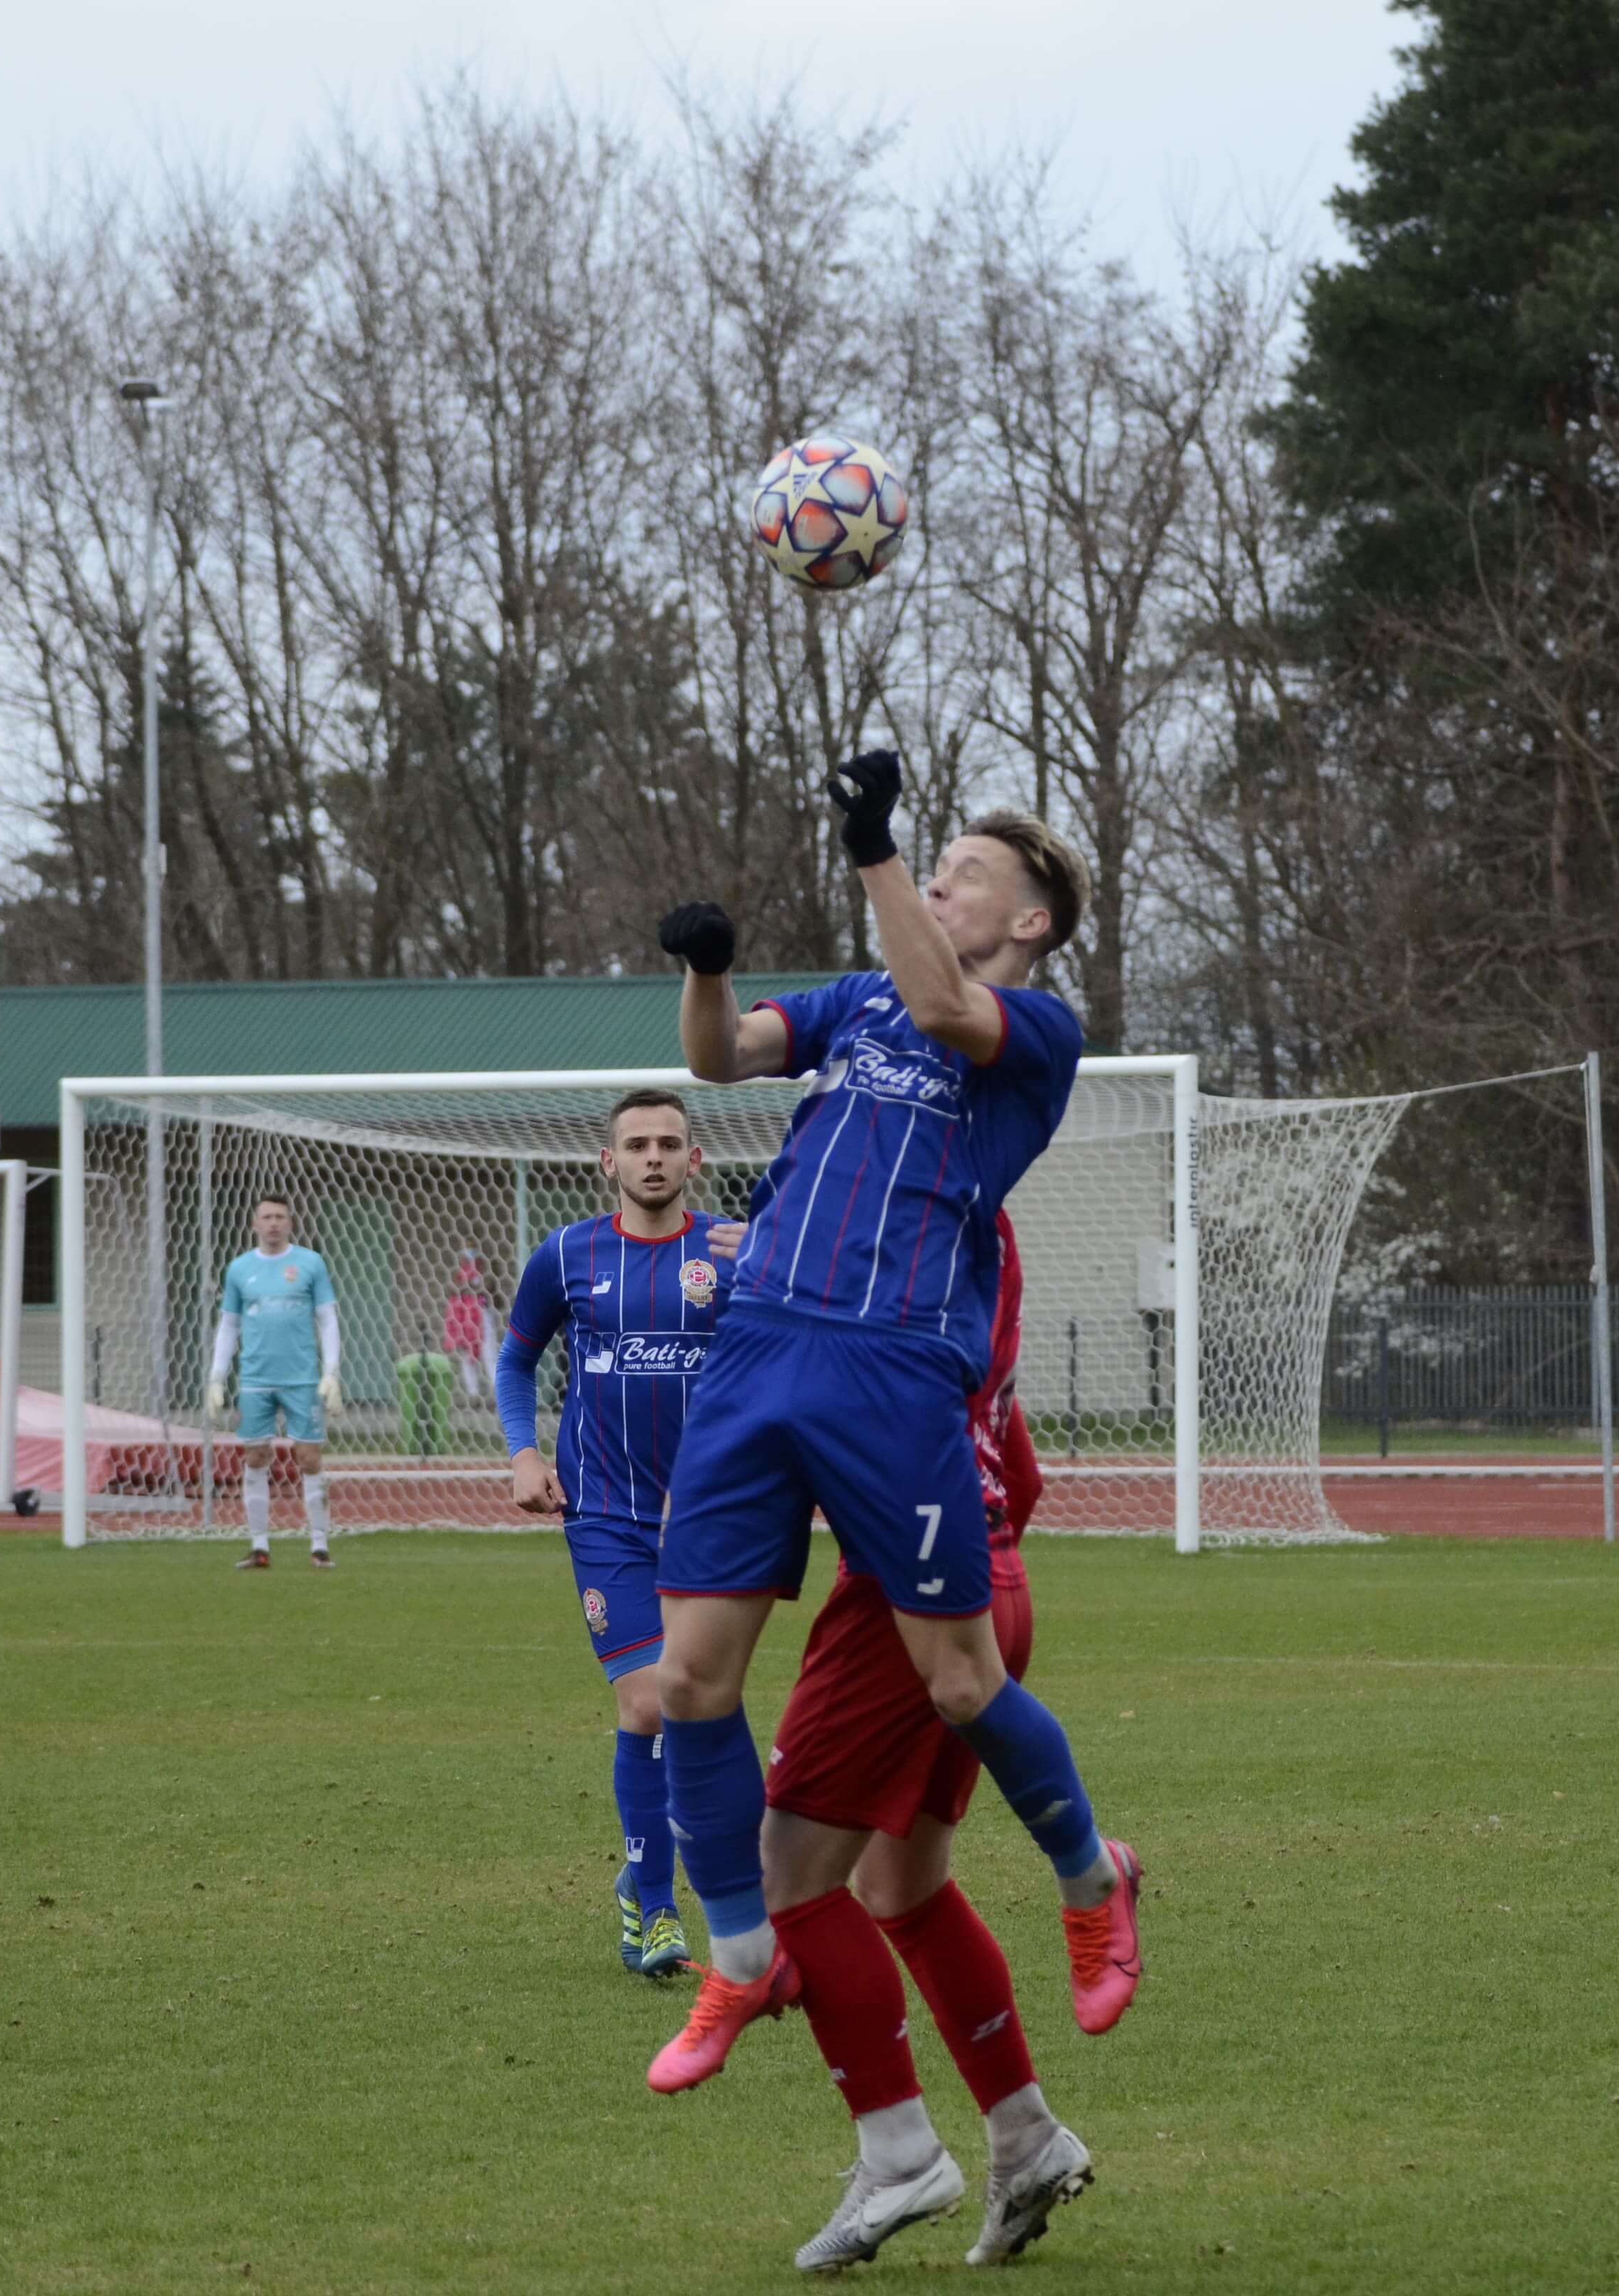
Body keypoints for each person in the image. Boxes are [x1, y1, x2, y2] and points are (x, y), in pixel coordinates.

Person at [646, 753, 1139, 2269]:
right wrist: (709, 970)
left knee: (941, 1707)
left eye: (965, 870)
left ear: (1036, 920)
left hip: (885, 1390)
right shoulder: (859, 1005)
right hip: (760, 1359)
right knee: (693, 1694)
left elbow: (945, 1006)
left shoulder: (1030, 1032)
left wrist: (864, 849)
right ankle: (753, 1967)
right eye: (925, 863)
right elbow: (723, 1059)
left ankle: (1080, 1880)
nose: (937, 879)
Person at [657, 1210, 1096, 2269]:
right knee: (904, 1889)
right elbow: (1020, 1473)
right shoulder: (969, 1239)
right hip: (985, 1590)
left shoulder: (865, 1246)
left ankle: (900, 2154)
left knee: (785, 1882)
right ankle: (1027, 2137)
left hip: (897, 1612)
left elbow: (810, 1422)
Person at [494, 1088, 722, 1977]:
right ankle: (657, 1911)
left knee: (699, 1710)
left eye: (670, 1142)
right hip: (603, 1515)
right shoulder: (566, 1254)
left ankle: (642, 1884)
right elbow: (516, 1356)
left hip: (712, 1519)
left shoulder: (730, 1257)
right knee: (650, 1701)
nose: (654, 1157)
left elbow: (773, 1373)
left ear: (693, 1160)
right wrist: (521, 1454)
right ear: (609, 1163)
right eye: (637, 1144)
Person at [205, 1193, 347, 1570]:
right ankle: (259, 1546)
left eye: (279, 1217)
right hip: (255, 1379)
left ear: (290, 1223)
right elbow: (229, 1326)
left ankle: (319, 1546)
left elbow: (328, 1319)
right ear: (254, 1223)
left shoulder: (310, 1264)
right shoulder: (239, 1270)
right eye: (266, 1217)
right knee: (255, 1456)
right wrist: (216, 1377)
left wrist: (331, 1372)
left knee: (309, 1456)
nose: (272, 1223)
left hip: (302, 1379)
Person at [443, 1247, 494, 1403]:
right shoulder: (458, 1275)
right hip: (463, 1317)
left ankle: (499, 1394)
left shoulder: (485, 1272)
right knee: (466, 1356)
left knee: (489, 1355)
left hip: (481, 1316)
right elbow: (451, 1290)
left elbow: (489, 1290)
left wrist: (477, 1279)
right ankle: (474, 1395)